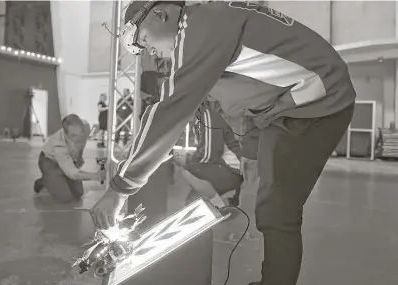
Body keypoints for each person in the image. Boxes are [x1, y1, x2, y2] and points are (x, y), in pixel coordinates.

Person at [91, 2, 356, 285]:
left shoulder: (196, 30)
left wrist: (120, 188)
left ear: (160, 14)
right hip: (291, 106)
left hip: (319, 102)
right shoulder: (210, 29)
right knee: (271, 194)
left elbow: (169, 112)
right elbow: (191, 113)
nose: (150, 52)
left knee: (278, 208)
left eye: (144, 40)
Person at [173, 99, 243, 207]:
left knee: (188, 173)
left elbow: (210, 155)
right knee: (192, 200)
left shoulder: (207, 116)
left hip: (231, 170)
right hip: (221, 167)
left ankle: (221, 206)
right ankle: (223, 202)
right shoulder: (200, 117)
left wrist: (185, 161)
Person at [34, 114, 103, 203]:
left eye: (80, 133)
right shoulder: (59, 145)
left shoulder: (86, 128)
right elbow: (72, 172)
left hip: (68, 158)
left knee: (78, 193)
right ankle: (44, 181)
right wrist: (96, 176)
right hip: (50, 161)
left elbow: (82, 143)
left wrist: (78, 156)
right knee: (65, 198)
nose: (79, 137)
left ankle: (60, 176)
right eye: (74, 136)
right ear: (66, 134)